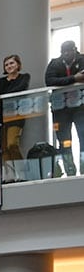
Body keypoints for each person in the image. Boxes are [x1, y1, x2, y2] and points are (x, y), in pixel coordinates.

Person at [46, 40, 84, 176]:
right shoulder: (54, 63)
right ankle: (70, 170)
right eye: (64, 51)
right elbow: (49, 81)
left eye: (69, 50)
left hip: (81, 106)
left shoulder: (82, 59)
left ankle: (83, 168)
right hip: (60, 109)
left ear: (75, 50)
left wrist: (64, 81)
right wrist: (74, 78)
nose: (67, 53)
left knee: (83, 136)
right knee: (64, 140)